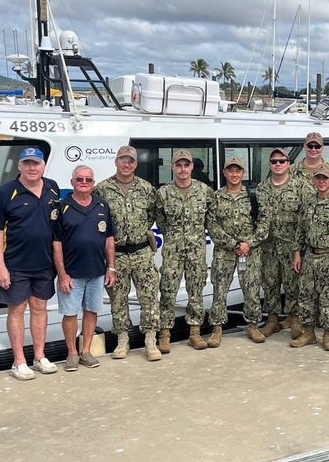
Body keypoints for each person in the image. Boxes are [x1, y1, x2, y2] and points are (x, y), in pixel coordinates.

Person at [0, 147, 62, 380]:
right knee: (17, 310)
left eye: (36, 164)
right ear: (19, 166)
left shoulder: (52, 187)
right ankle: (18, 361)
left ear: (43, 166)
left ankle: (39, 356)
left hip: (44, 264)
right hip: (15, 265)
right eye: (27, 163)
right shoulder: (5, 192)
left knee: (40, 309)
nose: (32, 168)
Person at [94, 145, 162, 361]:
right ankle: (123, 340)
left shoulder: (146, 188)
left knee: (149, 297)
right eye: (123, 160)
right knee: (118, 299)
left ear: (135, 164)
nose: (127, 164)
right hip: (117, 255)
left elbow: (153, 214)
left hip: (142, 252)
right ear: (116, 162)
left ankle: (150, 341)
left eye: (131, 161)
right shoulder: (102, 190)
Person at [52, 165, 115, 371]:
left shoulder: (102, 206)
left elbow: (109, 239)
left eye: (88, 179)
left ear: (93, 183)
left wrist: (111, 268)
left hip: (97, 271)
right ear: (72, 182)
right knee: (70, 314)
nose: (84, 182)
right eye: (80, 179)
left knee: (91, 311)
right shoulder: (62, 207)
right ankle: (72, 353)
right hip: (71, 273)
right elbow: (56, 243)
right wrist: (62, 274)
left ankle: (86, 351)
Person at [155, 149, 213, 351]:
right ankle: (164, 334)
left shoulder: (204, 191)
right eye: (178, 165)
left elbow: (209, 220)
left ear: (191, 167)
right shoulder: (163, 193)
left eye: (186, 165)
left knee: (196, 291)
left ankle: (195, 333)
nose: (182, 169)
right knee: (168, 291)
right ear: (172, 167)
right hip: (172, 251)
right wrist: (175, 237)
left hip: (197, 251)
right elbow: (161, 222)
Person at [292, 163, 329, 351]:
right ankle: (308, 333)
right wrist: (297, 253)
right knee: (306, 296)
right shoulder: (309, 202)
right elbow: (301, 229)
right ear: (313, 180)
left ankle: (328, 335)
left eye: (325, 178)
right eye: (318, 177)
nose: (321, 181)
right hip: (310, 255)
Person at [207, 156, 267, 345]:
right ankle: (217, 329)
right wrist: (233, 244)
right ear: (224, 172)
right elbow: (212, 226)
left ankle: (252, 326)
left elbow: (264, 224)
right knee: (219, 291)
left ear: (243, 173)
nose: (234, 174)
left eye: (238, 170)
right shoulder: (216, 197)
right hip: (224, 254)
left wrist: (249, 243)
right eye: (230, 170)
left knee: (251, 290)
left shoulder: (253, 196)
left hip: (250, 252)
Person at [256, 147, 313, 340]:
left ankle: (294, 319)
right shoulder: (262, 189)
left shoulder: (301, 187)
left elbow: (305, 220)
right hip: (269, 247)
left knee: (293, 284)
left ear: (288, 164)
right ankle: (272, 320)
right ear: (270, 165)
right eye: (274, 161)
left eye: (282, 161)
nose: (278, 164)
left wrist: (298, 250)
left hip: (291, 246)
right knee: (270, 283)